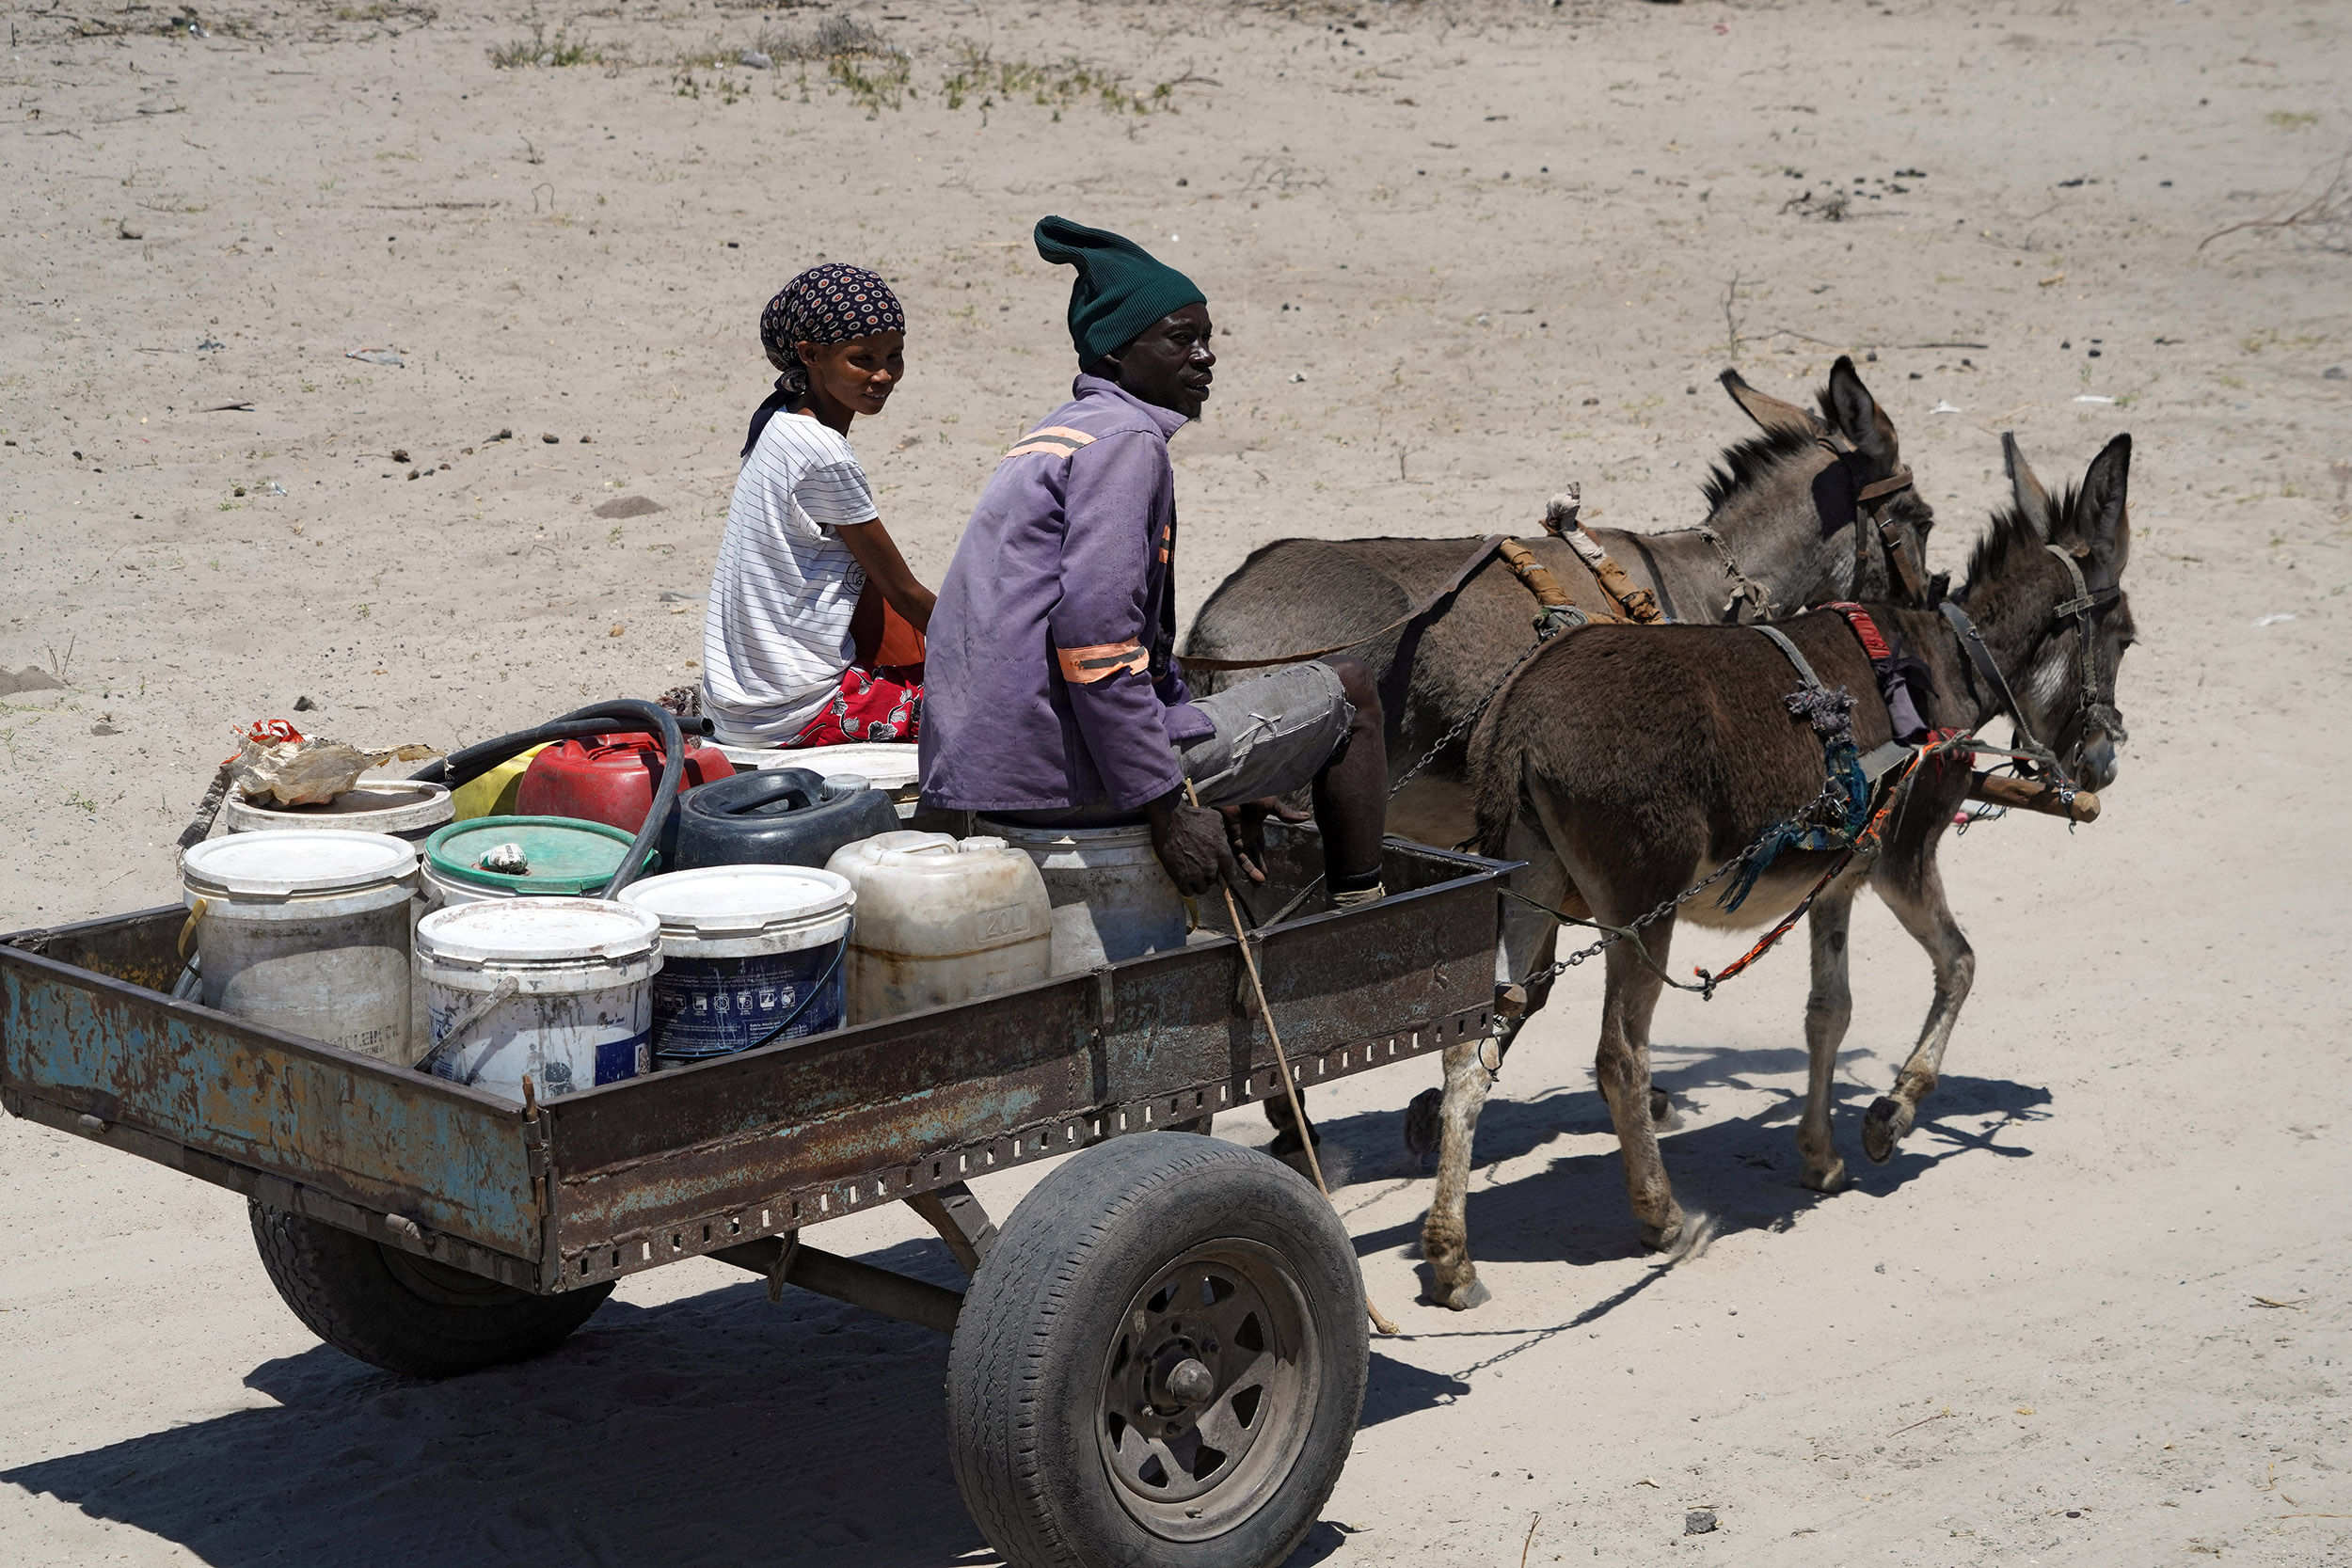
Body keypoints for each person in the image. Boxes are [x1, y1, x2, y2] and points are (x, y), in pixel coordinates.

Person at [920, 216, 1389, 911]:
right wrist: (1168, 806)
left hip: (974, 769)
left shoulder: (1056, 436)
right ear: (1115, 354)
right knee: (1351, 691)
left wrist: (1214, 773)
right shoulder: (1128, 443)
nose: (1205, 358)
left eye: (1207, 340)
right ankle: (1364, 913)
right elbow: (1096, 642)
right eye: (1180, 339)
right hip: (1056, 781)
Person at [697, 263, 936, 749]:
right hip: (792, 714)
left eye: (895, 355)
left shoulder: (778, 423)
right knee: (988, 708)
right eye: (862, 359)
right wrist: (1000, 646)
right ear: (810, 355)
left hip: (735, 703)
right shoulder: (823, 453)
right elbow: (905, 592)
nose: (883, 374)